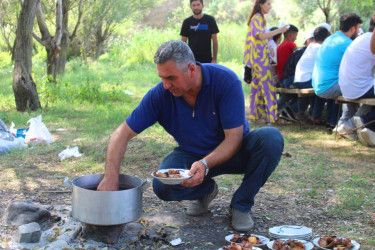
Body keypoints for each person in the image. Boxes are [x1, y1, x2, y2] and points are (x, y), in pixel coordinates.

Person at [97, 40, 284, 232]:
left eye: (171, 77)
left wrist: (205, 164)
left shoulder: (225, 81)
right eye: (161, 77)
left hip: (235, 151)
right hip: (192, 156)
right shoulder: (160, 95)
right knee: (162, 185)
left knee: (271, 138)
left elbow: (234, 139)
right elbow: (121, 134)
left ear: (191, 70)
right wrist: (111, 178)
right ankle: (207, 191)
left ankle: (241, 204)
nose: (165, 85)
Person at [312, 13, 363, 130]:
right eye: (358, 28)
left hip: (319, 85)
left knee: (351, 85)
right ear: (353, 28)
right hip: (329, 86)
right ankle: (350, 123)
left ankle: (344, 123)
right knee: (363, 87)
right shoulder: (347, 44)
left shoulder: (330, 39)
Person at [243, 0, 289, 124]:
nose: (269, 7)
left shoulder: (258, 18)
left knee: (256, 87)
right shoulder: (257, 17)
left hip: (257, 58)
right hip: (259, 58)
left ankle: (254, 116)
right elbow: (260, 36)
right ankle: (273, 118)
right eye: (268, 4)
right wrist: (280, 30)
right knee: (268, 87)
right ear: (261, 4)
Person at [336, 15, 375, 139]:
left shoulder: (361, 38)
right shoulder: (370, 40)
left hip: (345, 85)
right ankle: (360, 124)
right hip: (358, 87)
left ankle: (352, 124)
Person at [289, 26, 331, 124]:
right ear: (326, 38)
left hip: (298, 80)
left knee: (317, 89)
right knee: (323, 88)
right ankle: (315, 117)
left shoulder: (311, 46)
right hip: (305, 80)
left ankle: (311, 115)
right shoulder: (320, 48)